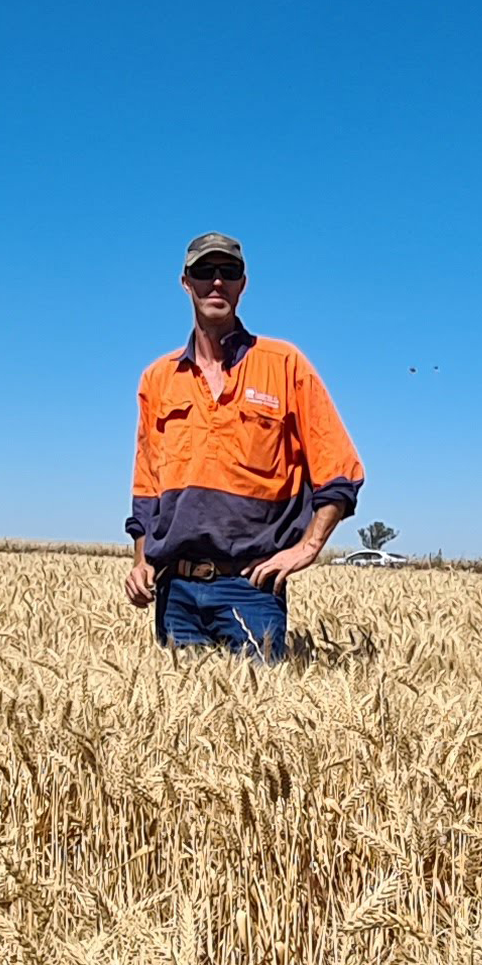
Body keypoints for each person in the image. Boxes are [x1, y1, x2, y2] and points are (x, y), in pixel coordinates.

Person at [122, 232, 363, 660]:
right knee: (180, 725)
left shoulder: (285, 364)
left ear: (243, 284)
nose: (216, 282)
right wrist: (142, 562)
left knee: (260, 720)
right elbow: (146, 489)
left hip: (252, 591)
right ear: (185, 282)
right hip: (174, 593)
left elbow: (340, 471)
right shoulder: (156, 379)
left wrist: (306, 549)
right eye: (204, 272)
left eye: (227, 272)